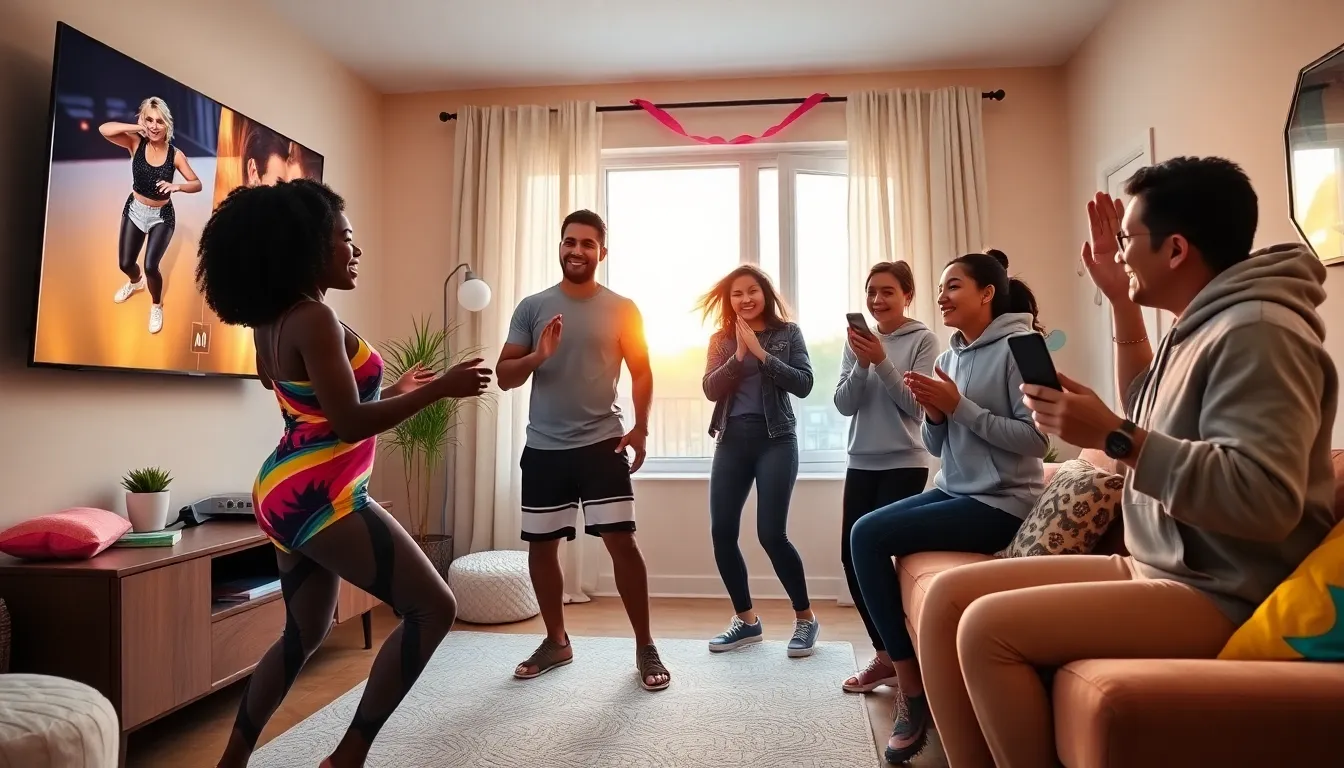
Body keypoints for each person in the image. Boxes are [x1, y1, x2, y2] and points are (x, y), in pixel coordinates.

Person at [916, 156, 1338, 768]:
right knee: (947, 600)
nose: (1118, 253)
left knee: (985, 629)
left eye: (1128, 239)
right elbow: (1144, 402)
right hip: (1157, 564)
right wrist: (1119, 299)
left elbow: (1263, 499)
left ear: (1176, 249)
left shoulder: (1259, 331)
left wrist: (1116, 436)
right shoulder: (1203, 323)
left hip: (1221, 587)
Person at [196, 179, 492, 768]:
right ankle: (348, 756)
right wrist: (442, 390)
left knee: (302, 634)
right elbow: (350, 423)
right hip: (321, 495)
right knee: (434, 607)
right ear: (307, 245)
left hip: (284, 489)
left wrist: (396, 389)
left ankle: (231, 762)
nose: (356, 250)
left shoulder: (272, 322)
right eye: (345, 237)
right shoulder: (315, 318)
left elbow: (313, 408)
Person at [848, 249, 1048, 764]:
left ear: (988, 293)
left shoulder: (1024, 348)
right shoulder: (951, 356)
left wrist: (960, 407)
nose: (942, 296)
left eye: (953, 286)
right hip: (954, 488)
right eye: (940, 287)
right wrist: (938, 416)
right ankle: (909, 679)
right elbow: (937, 446)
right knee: (863, 533)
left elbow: (1036, 441)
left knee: (868, 537)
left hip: (1002, 502)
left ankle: (912, 692)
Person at [495, 209, 671, 691]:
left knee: (622, 544)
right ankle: (557, 641)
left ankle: (645, 646)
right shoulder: (532, 307)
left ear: (602, 252)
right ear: (560, 247)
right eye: (569, 242)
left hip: (602, 443)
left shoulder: (623, 308)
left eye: (587, 244)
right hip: (544, 448)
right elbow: (505, 376)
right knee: (541, 547)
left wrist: (641, 427)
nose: (577, 250)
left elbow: (642, 370)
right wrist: (538, 355)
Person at [697, 265, 819, 656]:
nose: (745, 299)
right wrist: (738, 354)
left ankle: (805, 619)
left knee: (771, 534)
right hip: (731, 440)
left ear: (764, 293)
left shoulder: (788, 334)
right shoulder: (720, 339)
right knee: (722, 532)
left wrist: (762, 353)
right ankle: (747, 622)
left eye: (752, 291)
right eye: (737, 293)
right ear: (729, 300)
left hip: (776, 440)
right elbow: (710, 389)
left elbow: (804, 383)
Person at [832, 261, 939, 691]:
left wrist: (881, 361)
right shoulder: (857, 341)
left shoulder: (924, 339)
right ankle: (886, 655)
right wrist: (862, 363)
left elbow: (917, 407)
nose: (877, 300)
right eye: (871, 292)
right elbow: (844, 404)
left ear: (907, 295)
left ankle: (906, 655)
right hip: (861, 461)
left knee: (885, 557)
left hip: (904, 462)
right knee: (851, 556)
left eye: (888, 291)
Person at [99, 96, 202, 334]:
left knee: (150, 266)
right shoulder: (135, 143)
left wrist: (177, 186)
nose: (154, 126)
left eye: (159, 121)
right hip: (135, 209)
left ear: (167, 124)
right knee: (125, 264)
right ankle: (136, 284)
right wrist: (137, 128)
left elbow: (196, 183)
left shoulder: (175, 154)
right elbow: (104, 129)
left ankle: (156, 305)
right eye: (149, 120)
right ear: (143, 121)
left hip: (162, 216)